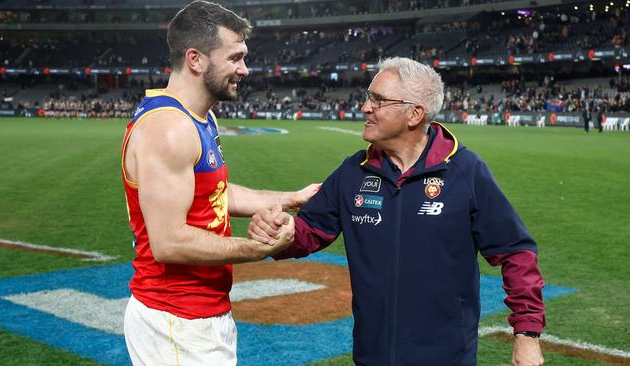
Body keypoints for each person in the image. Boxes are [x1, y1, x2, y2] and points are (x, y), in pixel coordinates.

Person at [249, 57, 545, 366]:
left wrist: (527, 334)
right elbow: (310, 231)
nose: (365, 107)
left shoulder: (465, 172)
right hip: (371, 357)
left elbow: (516, 251)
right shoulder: (353, 172)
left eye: (378, 100)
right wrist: (284, 233)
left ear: (414, 113)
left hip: (446, 358)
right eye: (369, 97)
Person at [120, 1, 318, 365]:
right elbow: (169, 242)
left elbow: (215, 194)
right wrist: (256, 249)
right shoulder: (169, 128)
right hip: (176, 320)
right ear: (195, 59)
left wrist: (290, 197)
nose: (245, 69)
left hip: (200, 314)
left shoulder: (200, 117)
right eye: (235, 57)